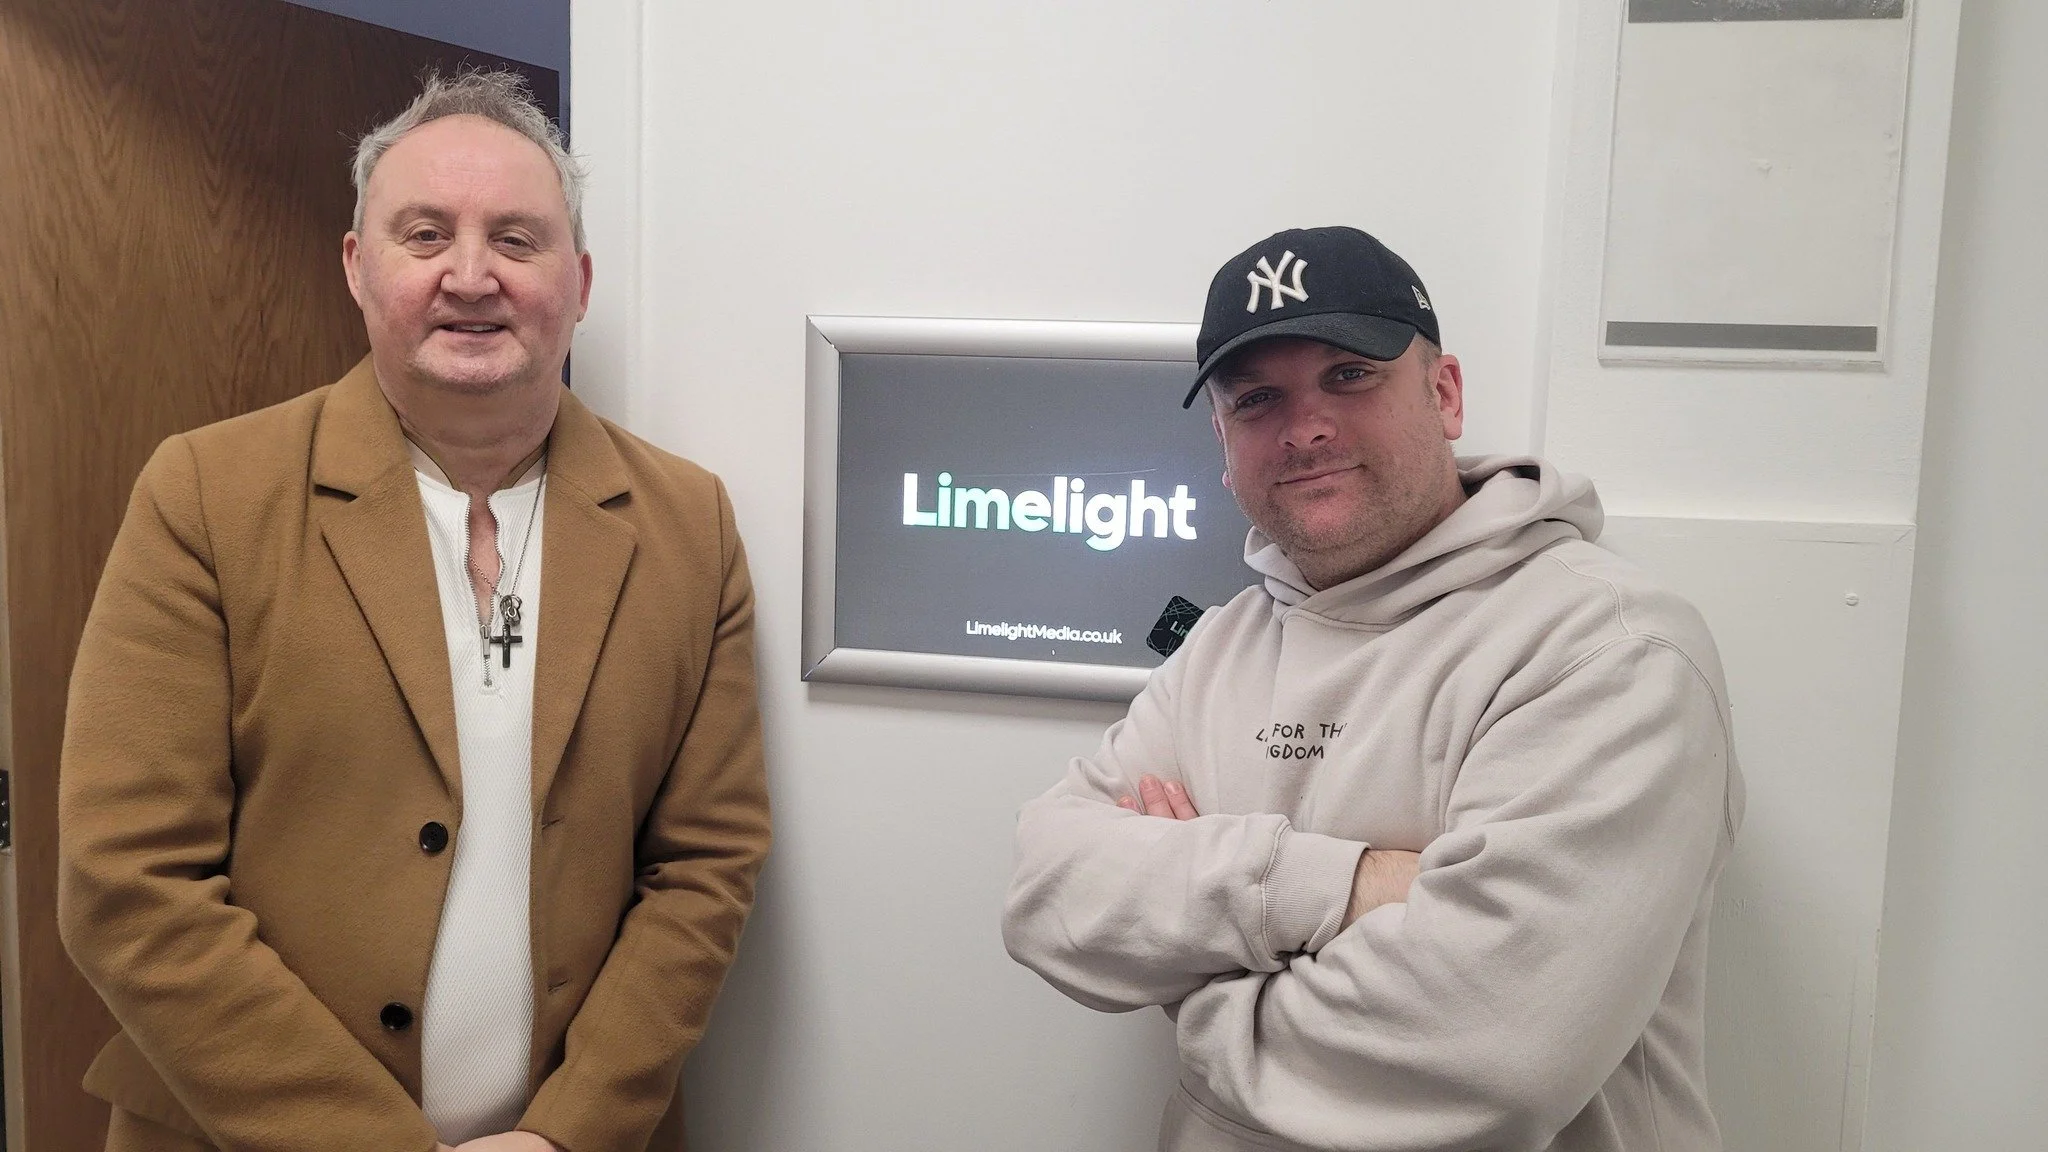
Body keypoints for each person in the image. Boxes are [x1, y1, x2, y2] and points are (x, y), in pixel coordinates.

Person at [58, 70, 770, 1152]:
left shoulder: (689, 524)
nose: (470, 276)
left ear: (579, 283)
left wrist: (566, 1133)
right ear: (358, 266)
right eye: (425, 234)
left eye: (517, 240)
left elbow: (705, 867)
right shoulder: (206, 495)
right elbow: (127, 883)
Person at [1003, 226, 1744, 1152]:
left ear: (1445, 393)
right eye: (1257, 399)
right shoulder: (1222, 647)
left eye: (1350, 375)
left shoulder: (1604, 648)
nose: (1305, 428)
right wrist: (1348, 885)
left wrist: (1199, 987)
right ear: (1223, 442)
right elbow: (1048, 892)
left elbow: (1493, 1052)